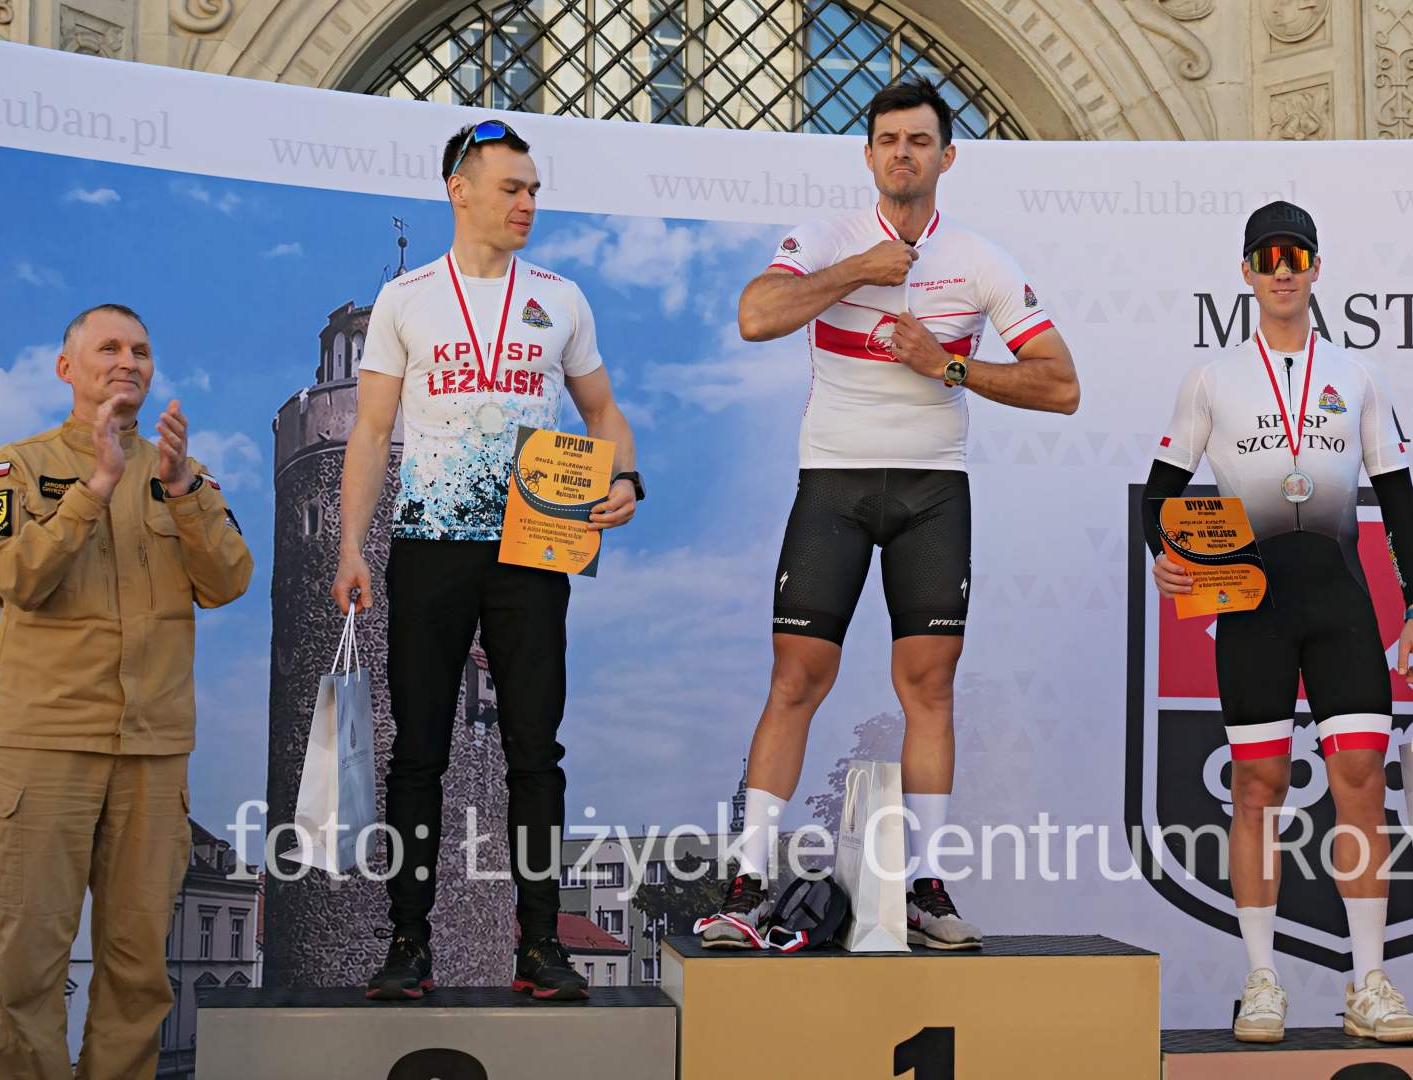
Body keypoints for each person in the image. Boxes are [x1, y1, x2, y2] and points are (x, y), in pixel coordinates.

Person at [697, 77, 1079, 951]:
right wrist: (856, 272)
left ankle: (925, 886)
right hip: (833, 483)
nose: (903, 153)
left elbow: (1061, 387)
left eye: (919, 141)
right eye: (888, 140)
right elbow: (755, 315)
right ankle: (748, 882)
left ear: (947, 157)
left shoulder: (979, 261)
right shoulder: (828, 239)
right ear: (868, 155)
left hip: (931, 489)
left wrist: (948, 366)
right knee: (795, 680)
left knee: (929, 687)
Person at [333, 120, 641, 1001]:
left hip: (531, 549)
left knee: (534, 752)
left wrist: (625, 477)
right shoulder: (406, 299)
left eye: (534, 189)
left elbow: (603, 410)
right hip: (430, 545)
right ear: (459, 190)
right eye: (511, 187)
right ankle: (408, 942)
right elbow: (371, 431)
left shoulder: (560, 296)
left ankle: (539, 944)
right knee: (418, 753)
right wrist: (351, 544)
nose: (527, 203)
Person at [1142, 201, 1413, 1043]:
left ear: (1314, 269)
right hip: (1252, 606)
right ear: (1245, 272)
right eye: (1266, 257)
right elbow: (1159, 495)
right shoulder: (1212, 379)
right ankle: (1261, 979)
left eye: (1294, 256)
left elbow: (1398, 502)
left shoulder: (1356, 375)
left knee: (1360, 781)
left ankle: (1369, 982)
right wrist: (1165, 557)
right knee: (1258, 788)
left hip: (1340, 601)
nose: (1281, 271)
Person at [0, 303, 253, 1078]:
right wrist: (95, 486)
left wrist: (183, 490)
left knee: (138, 974)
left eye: (140, 350)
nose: (127, 361)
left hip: (152, 755)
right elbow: (17, 576)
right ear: (67, 368)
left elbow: (228, 581)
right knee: (30, 971)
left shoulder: (183, 474)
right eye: (108, 348)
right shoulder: (15, 467)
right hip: (46, 747)